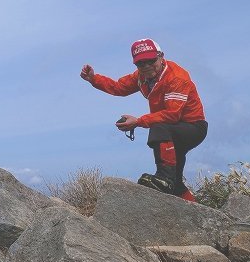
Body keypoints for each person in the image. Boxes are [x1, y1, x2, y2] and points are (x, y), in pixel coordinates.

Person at [80, 38, 207, 201]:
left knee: (159, 127)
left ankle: (163, 179)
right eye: (141, 63)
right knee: (176, 182)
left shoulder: (177, 77)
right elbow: (119, 87)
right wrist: (93, 79)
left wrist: (138, 121)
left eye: (151, 61)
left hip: (193, 127)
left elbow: (172, 114)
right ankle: (192, 207)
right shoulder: (141, 77)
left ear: (161, 57)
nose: (146, 66)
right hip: (170, 133)